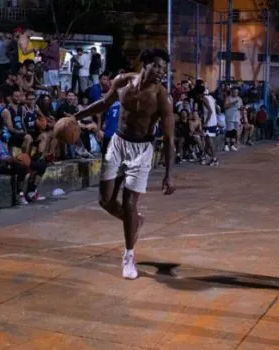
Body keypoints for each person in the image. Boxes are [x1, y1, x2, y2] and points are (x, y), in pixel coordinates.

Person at [71, 48, 176, 280]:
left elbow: (169, 138)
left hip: (142, 149)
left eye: (164, 69)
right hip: (118, 143)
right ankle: (134, 221)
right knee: (105, 200)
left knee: (129, 202)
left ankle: (129, 255)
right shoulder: (121, 82)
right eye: (157, 66)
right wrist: (76, 117)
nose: (160, 72)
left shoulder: (162, 96)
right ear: (145, 64)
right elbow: (102, 104)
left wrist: (170, 173)